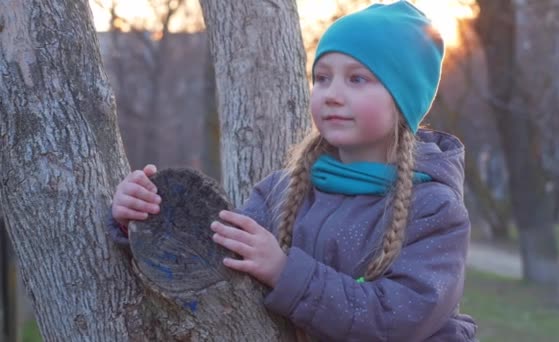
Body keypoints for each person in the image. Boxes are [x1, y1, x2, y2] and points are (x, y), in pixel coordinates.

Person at [108, 1, 477, 340]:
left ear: (402, 100)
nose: (331, 93)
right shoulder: (281, 192)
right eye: (322, 78)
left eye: (357, 79)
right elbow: (214, 256)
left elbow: (397, 318)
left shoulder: (434, 210)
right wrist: (143, 219)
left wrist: (285, 273)